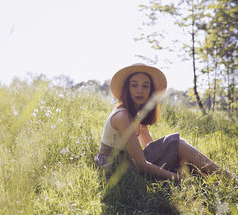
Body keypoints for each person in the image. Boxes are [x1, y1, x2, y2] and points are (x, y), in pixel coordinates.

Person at [95, 63, 227, 181]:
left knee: (176, 148)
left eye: (145, 86)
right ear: (127, 89)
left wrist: (173, 156)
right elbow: (141, 164)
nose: (140, 90)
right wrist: (178, 178)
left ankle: (216, 178)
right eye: (134, 85)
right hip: (116, 170)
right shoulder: (122, 116)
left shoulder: (136, 115)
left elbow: (150, 146)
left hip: (129, 164)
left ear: (150, 91)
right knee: (176, 143)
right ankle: (227, 177)